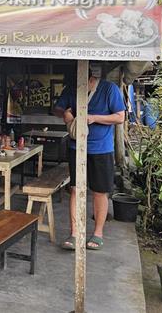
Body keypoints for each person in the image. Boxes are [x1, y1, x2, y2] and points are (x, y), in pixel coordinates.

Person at [54, 63, 125, 250]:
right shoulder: (71, 89)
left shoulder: (109, 89)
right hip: (76, 147)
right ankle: (75, 233)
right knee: (76, 189)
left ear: (92, 77)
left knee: (100, 191)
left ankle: (98, 234)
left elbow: (120, 117)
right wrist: (66, 114)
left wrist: (93, 118)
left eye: (84, 82)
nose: (80, 86)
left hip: (101, 149)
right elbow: (57, 109)